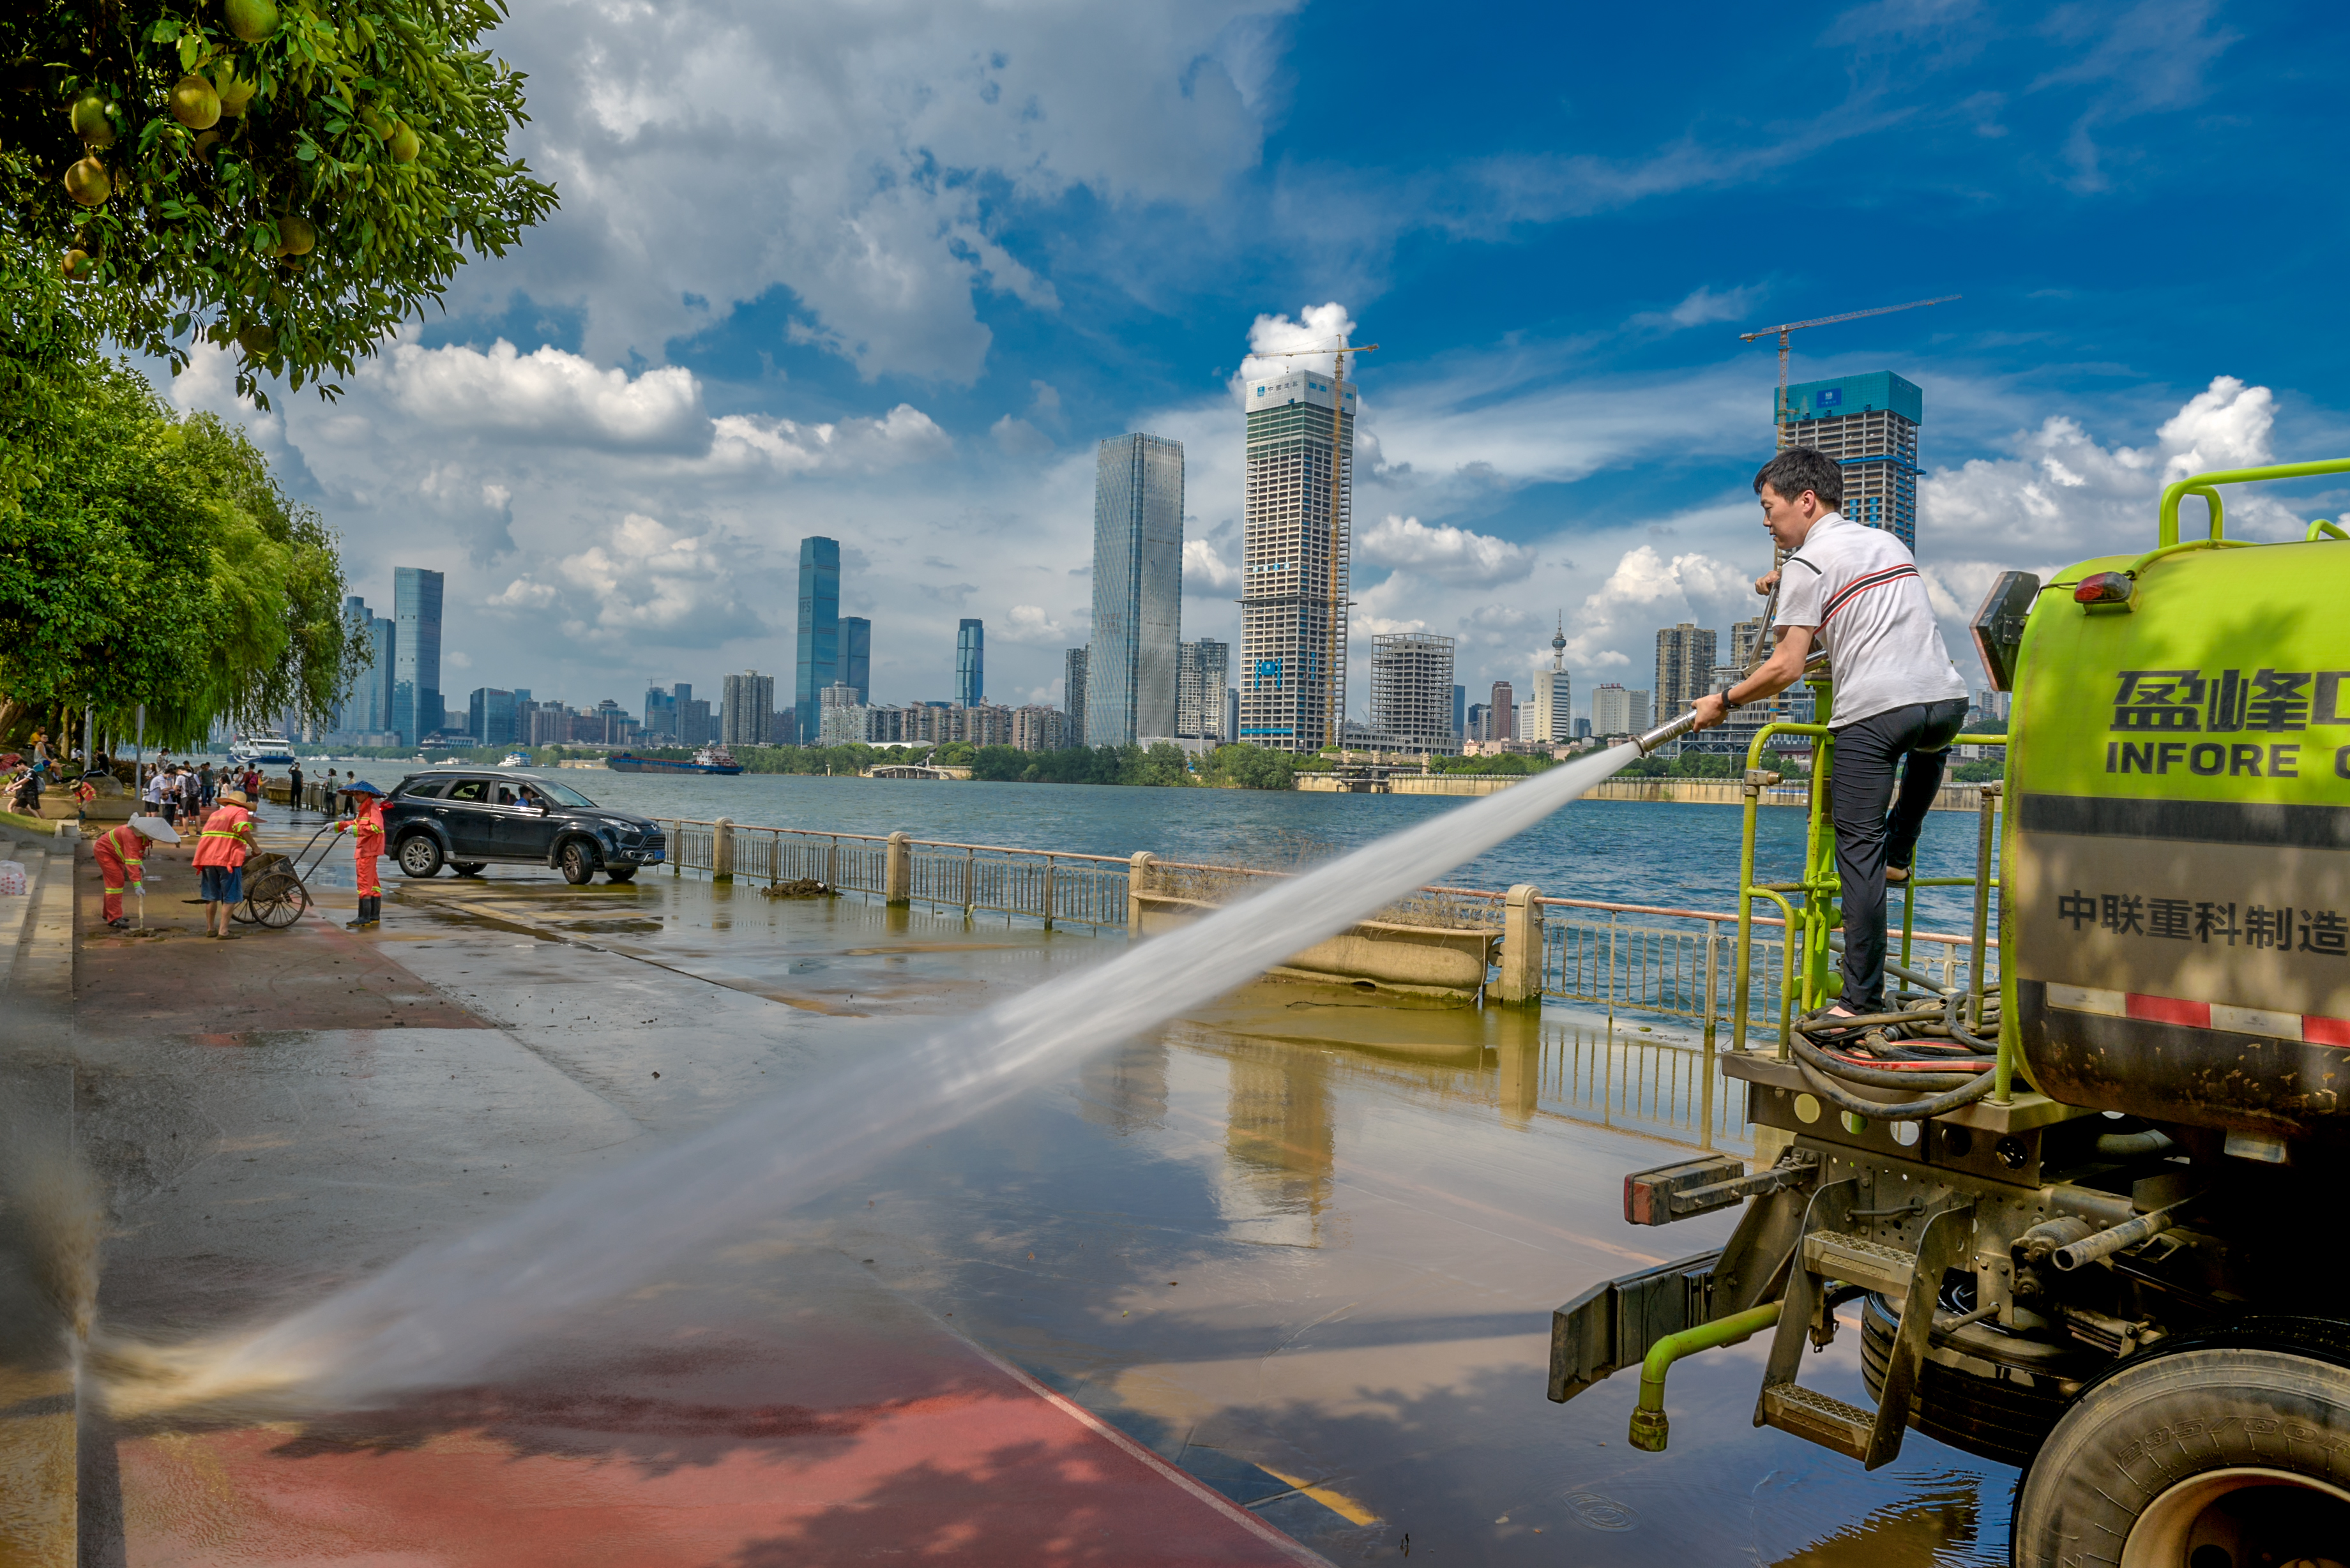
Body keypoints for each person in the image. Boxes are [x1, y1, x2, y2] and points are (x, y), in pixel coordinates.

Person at [1690, 446, 1969, 1032]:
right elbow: (1848, 596)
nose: (1766, 522)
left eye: (1770, 509)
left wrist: (1725, 702)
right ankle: (1903, 850)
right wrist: (1784, 573)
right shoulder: (1886, 543)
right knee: (1926, 749)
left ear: (1806, 500)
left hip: (1875, 713)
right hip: (1945, 702)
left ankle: (1859, 1000)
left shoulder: (1806, 567)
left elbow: (1788, 665)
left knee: (1855, 855)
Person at [193, 786, 259, 940]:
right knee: (230, 896)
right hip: (227, 859)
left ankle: (211, 929)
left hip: (207, 859)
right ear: (243, 805)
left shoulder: (216, 814)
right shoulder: (240, 812)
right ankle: (224, 932)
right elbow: (242, 828)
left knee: (211, 896)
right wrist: (255, 847)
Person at [94, 814, 179, 930]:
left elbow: (135, 856)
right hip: (105, 853)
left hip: (114, 853)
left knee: (113, 885)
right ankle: (114, 918)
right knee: (116, 883)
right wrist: (137, 886)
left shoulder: (140, 834)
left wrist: (139, 863)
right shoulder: (133, 836)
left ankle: (109, 914)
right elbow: (132, 861)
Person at [334, 780, 388, 930]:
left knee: (364, 883)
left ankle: (363, 917)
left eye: (358, 794)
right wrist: (337, 826)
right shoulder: (365, 808)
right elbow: (356, 823)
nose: (356, 796)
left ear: (366, 794)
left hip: (368, 850)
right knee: (373, 883)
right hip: (368, 849)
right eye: (354, 794)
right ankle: (374, 916)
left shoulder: (372, 808)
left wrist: (357, 831)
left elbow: (376, 827)